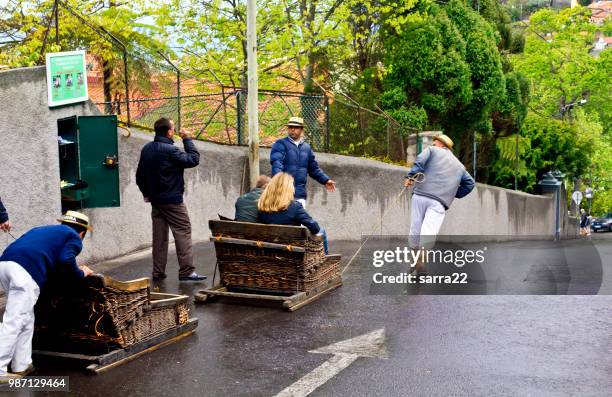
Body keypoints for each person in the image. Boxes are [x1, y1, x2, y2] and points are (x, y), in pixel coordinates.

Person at [0, 211, 94, 381]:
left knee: (26, 318)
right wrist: (81, 273)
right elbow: (66, 261)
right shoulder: (73, 237)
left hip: (5, 265)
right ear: (82, 233)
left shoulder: (43, 230)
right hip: (26, 271)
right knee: (15, 319)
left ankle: (22, 365)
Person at [136, 117, 206, 282]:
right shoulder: (171, 151)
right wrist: (187, 139)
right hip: (172, 200)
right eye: (173, 129)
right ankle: (186, 271)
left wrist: (147, 194)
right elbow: (193, 159)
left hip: (156, 200)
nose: (174, 132)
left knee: (159, 237)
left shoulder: (147, 149)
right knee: (183, 231)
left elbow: (139, 176)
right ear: (168, 132)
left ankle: (158, 272)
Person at [404, 134, 475, 275]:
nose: (434, 144)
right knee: (428, 231)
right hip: (439, 202)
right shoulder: (460, 167)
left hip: (420, 195)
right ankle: (420, 261)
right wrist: (452, 193)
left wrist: (410, 176)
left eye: (435, 142)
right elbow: (470, 184)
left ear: (441, 144)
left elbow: (420, 160)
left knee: (415, 228)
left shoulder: (431, 150)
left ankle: (414, 262)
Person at [270, 116, 336, 208]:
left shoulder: (307, 148)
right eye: (290, 127)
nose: (292, 129)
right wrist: (278, 182)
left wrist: (325, 180)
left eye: (296, 127)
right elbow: (277, 163)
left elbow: (313, 169)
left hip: (299, 195)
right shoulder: (280, 144)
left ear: (301, 130)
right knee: (283, 222)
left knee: (300, 221)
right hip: (282, 193)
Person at [258, 173, 328, 254]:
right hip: (291, 251)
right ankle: (324, 259)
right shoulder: (295, 207)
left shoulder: (262, 206)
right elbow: (315, 229)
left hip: (270, 250)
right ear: (288, 189)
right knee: (322, 231)